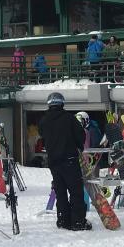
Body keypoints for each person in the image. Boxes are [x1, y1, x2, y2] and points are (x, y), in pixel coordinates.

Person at [39, 92, 91, 230]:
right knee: (75, 192)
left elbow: (42, 137)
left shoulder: (44, 120)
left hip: (53, 162)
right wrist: (77, 146)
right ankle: (78, 221)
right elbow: (80, 136)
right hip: (69, 160)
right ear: (62, 103)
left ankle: (63, 220)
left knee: (60, 191)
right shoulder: (69, 119)